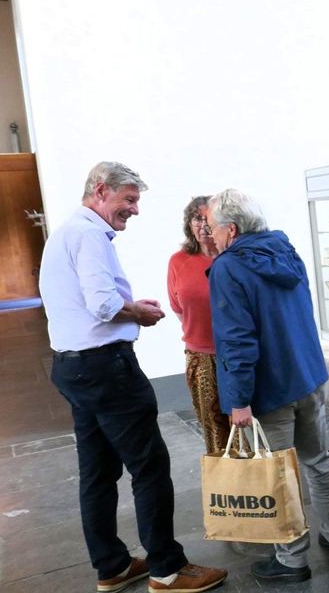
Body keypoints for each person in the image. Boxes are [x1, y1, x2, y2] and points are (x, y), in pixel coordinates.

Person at [39, 161, 227, 593]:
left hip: (73, 366)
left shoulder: (68, 230)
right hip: (106, 368)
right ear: (101, 190)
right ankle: (167, 569)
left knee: (98, 470)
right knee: (150, 466)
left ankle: (112, 566)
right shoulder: (89, 235)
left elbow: (88, 300)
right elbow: (103, 305)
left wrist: (126, 305)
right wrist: (137, 312)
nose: (135, 210)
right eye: (129, 200)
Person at [206, 188, 329, 583]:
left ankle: (291, 561)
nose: (210, 235)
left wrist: (237, 400)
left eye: (213, 228)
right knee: (317, 461)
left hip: (271, 388)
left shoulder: (228, 268)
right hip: (307, 375)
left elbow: (236, 341)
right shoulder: (284, 250)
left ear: (231, 229)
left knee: (279, 474)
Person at [167, 196, 231, 454]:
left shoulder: (233, 257)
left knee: (247, 422)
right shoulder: (178, 261)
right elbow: (178, 308)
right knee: (213, 425)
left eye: (209, 219)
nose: (204, 225)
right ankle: (227, 486)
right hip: (201, 356)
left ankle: (257, 483)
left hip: (238, 355)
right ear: (188, 224)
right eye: (197, 218)